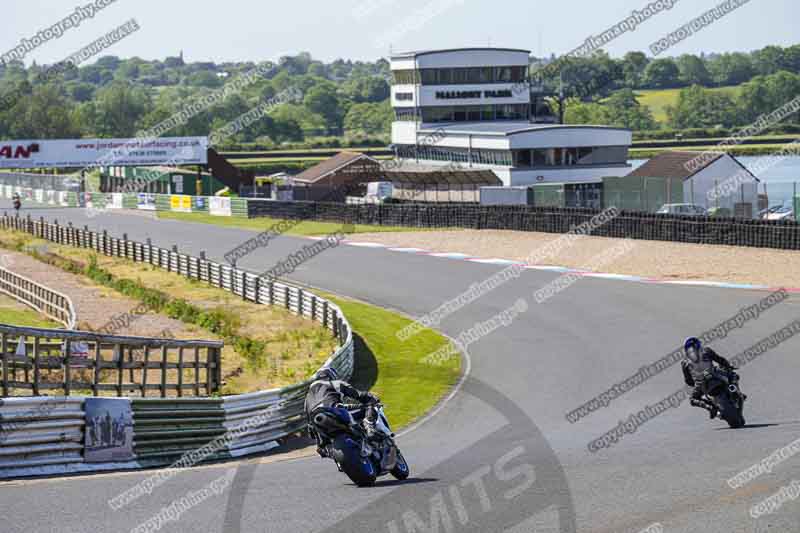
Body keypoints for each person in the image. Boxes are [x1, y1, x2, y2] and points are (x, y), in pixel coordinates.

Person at [304, 367, 380, 456]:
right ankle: (369, 427)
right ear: (330, 376)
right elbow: (357, 394)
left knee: (322, 446)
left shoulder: (307, 399)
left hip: (318, 423)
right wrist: (370, 398)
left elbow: (309, 427)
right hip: (335, 412)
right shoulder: (333, 383)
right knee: (369, 406)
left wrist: (319, 444)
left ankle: (325, 449)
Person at [681, 337, 737, 419]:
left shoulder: (684, 362)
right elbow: (720, 360)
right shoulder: (707, 351)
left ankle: (710, 407)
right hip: (714, 374)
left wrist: (696, 383)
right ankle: (734, 390)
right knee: (732, 374)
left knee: (693, 399)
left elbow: (688, 380)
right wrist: (728, 366)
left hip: (701, 383)